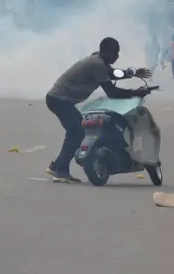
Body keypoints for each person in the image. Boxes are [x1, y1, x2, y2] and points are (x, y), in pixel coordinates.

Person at [46, 37, 152, 183]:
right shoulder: (97, 64)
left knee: (76, 131)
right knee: (77, 131)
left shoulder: (99, 61)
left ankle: (58, 165)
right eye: (116, 53)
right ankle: (60, 169)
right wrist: (135, 92)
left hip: (59, 99)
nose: (117, 56)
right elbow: (112, 92)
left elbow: (113, 73)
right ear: (108, 52)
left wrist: (132, 73)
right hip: (59, 99)